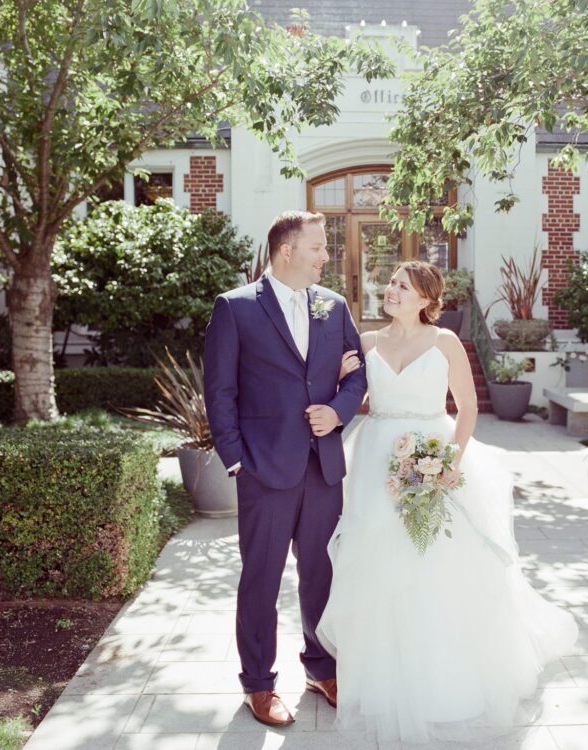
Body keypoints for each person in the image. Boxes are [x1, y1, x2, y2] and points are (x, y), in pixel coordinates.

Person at [317, 260, 578, 743]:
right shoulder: (366, 343)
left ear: (424, 298)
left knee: (433, 564)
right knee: (376, 564)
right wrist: (342, 376)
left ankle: (442, 680)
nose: (390, 290)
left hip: (431, 453)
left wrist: (450, 464)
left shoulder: (446, 343)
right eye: (391, 283)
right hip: (375, 460)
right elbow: (347, 397)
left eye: (401, 285)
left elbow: (468, 406)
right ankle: (378, 677)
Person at [203, 210, 367, 727]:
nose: (326, 256)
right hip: (263, 469)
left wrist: (337, 411)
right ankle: (258, 684)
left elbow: (357, 377)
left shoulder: (334, 307)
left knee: (321, 574)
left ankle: (320, 668)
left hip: (323, 468)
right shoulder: (235, 308)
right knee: (261, 579)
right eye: (318, 247)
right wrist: (235, 462)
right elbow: (219, 392)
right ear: (286, 251)